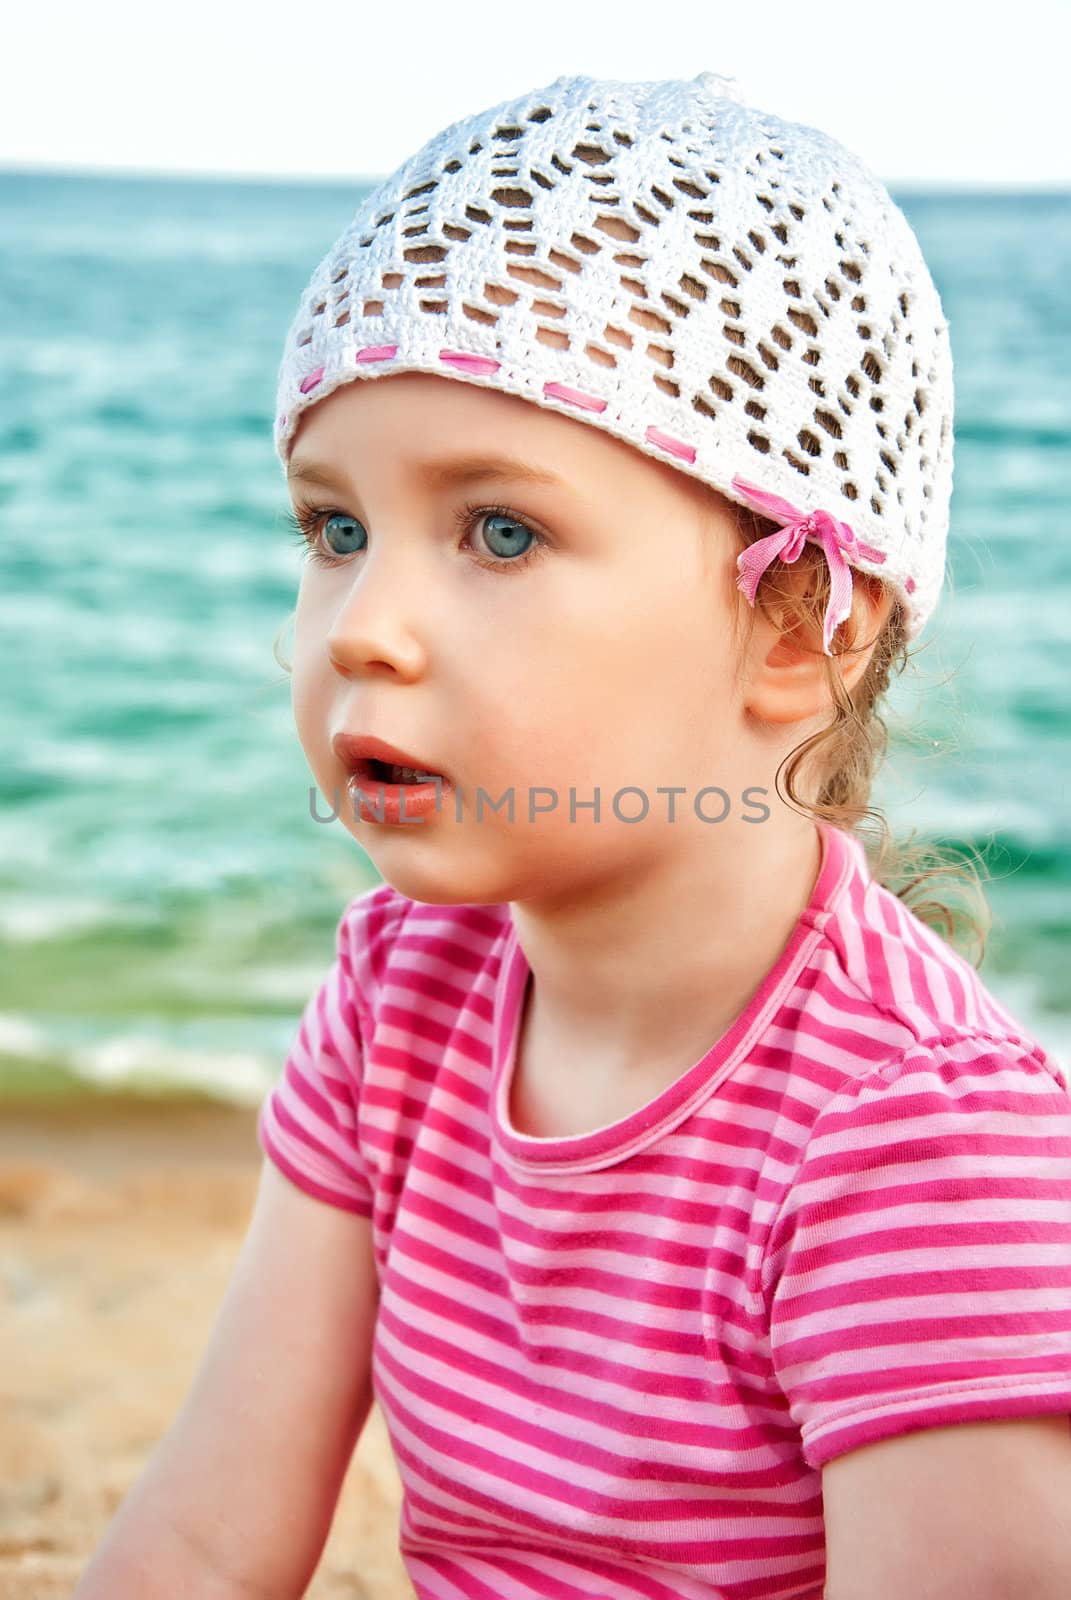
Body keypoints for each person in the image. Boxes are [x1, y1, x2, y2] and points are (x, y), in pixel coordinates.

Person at [74, 70, 1071, 1600]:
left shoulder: (912, 1150)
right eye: (336, 530)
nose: (368, 630)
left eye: (501, 532)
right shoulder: (398, 996)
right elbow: (207, 1542)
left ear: (802, 627)